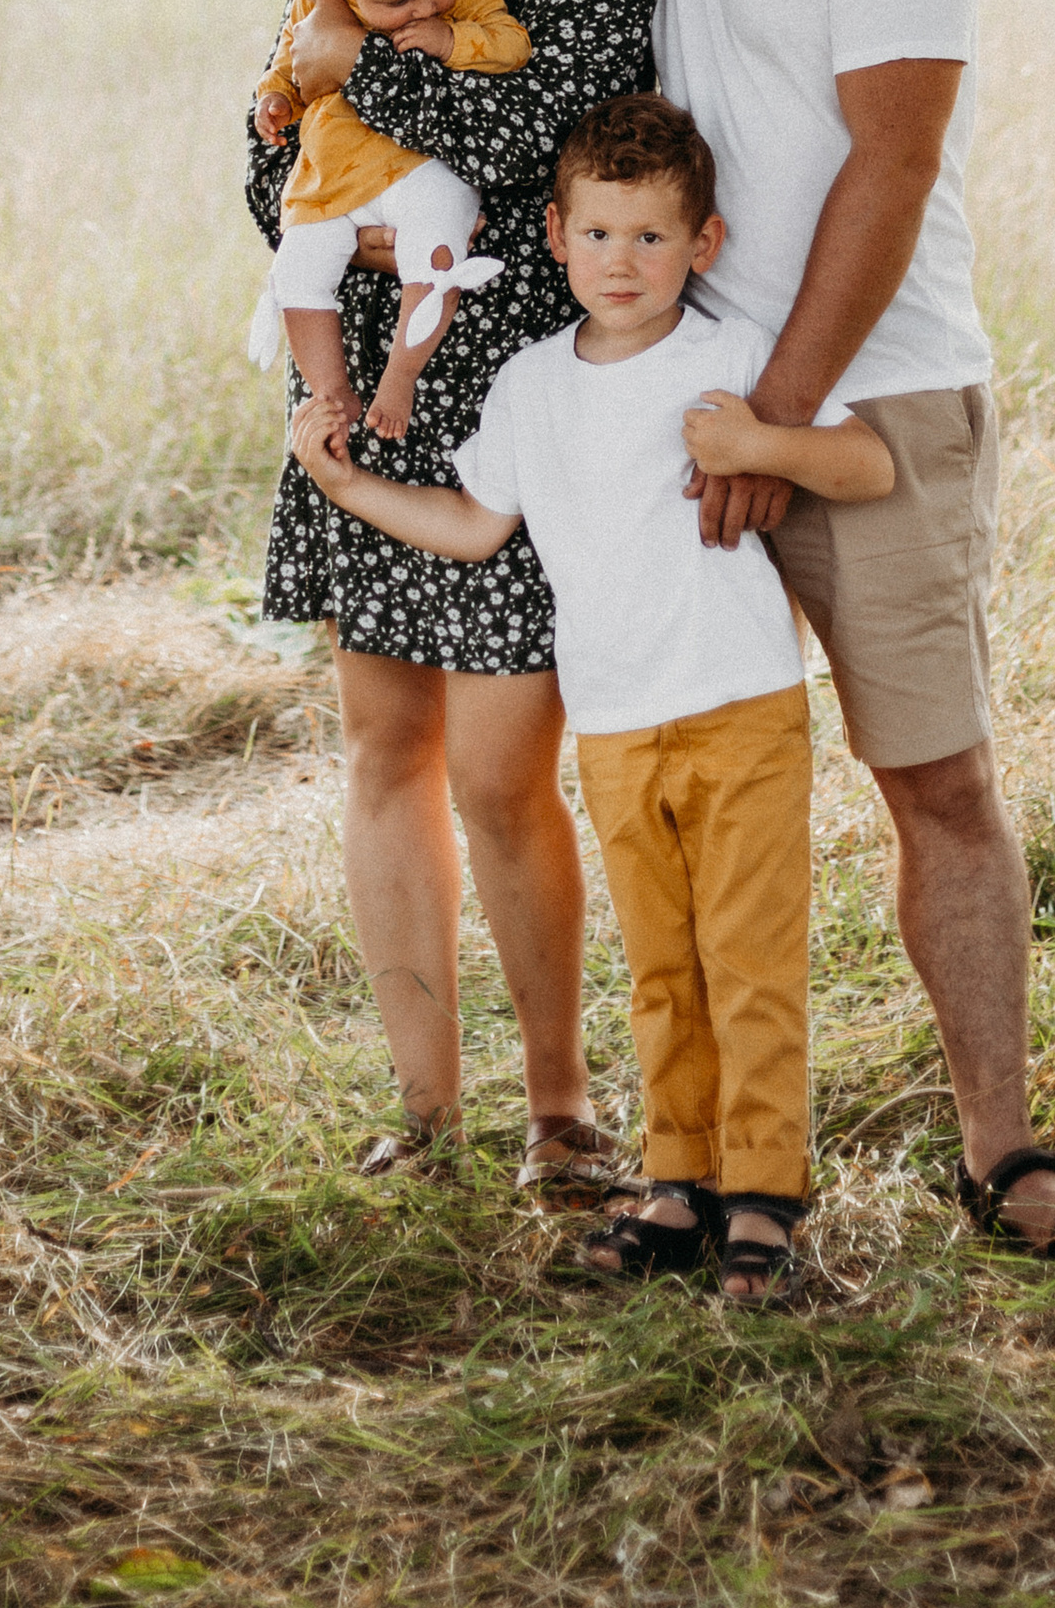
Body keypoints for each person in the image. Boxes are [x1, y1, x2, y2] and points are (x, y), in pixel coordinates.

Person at [622, 0, 1055, 1260]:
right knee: (691, 790)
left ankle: (1003, 1152)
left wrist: (774, 423)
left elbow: (892, 166)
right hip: (711, 418)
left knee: (935, 779)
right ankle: (704, 1160)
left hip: (878, 407)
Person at [291, 91, 895, 1301]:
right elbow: (473, 526)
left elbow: (869, 463)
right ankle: (678, 1184)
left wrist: (760, 448)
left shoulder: (729, 359)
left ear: (703, 245)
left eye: (654, 238)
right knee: (661, 963)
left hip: (739, 705)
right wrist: (343, 489)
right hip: (615, 722)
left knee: (748, 956)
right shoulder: (528, 387)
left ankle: (764, 1198)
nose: (624, 264)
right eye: (601, 236)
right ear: (556, 237)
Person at [250, 0, 659, 1186]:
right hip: (361, 359)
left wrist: (367, 72)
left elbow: (552, 131)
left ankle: (560, 1110)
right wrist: (339, 197)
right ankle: (427, 1113)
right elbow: (270, 121)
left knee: (499, 767)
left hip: (512, 380)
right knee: (384, 748)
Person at [251, 0, 529, 444]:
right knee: (297, 271)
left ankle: (401, 376)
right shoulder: (323, 0)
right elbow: (290, 65)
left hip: (419, 167)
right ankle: (330, 389)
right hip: (334, 173)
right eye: (400, 3)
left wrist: (451, 38)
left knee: (435, 258)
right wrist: (275, 100)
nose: (425, 4)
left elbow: (511, 44)